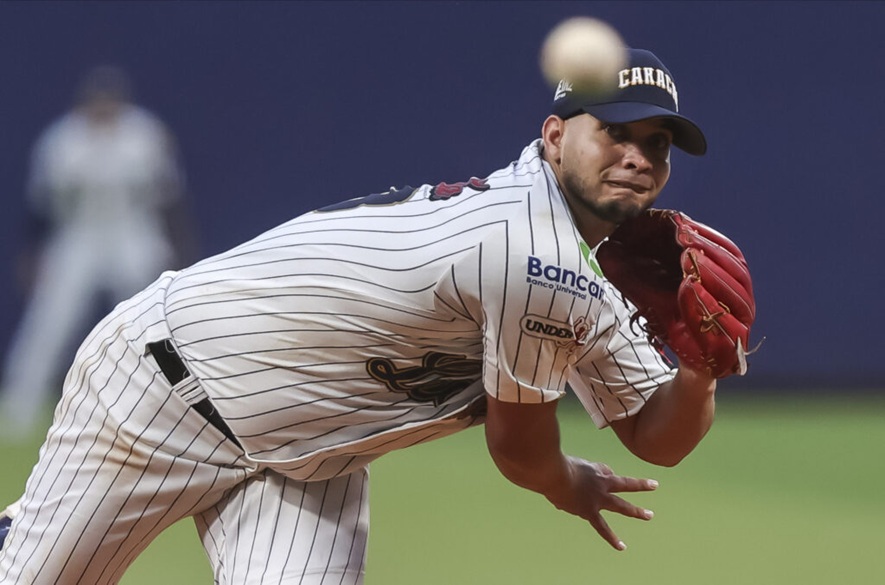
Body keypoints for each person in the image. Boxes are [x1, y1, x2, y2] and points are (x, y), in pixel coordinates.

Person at [0, 47, 734, 584]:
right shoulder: (531, 247)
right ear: (552, 138)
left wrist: (699, 370)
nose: (638, 156)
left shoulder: (580, 276)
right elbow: (520, 448)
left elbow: (655, 437)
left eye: (656, 145)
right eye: (615, 132)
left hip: (307, 459)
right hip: (165, 390)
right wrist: (564, 481)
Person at [0, 65, 192, 439]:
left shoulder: (145, 134)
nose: (103, 109)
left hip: (132, 230)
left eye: (109, 102)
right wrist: (33, 252)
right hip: (79, 235)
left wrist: (178, 248)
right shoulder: (61, 141)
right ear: (85, 104)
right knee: (49, 321)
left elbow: (170, 199)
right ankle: (17, 410)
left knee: (152, 318)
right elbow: (40, 208)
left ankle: (174, 402)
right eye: (97, 102)